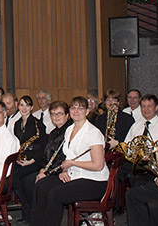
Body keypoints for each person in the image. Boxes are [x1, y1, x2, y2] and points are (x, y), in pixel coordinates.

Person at [30, 96, 109, 226]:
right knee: (42, 185)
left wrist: (72, 164)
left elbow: (98, 165)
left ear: (87, 112)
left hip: (94, 181)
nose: (76, 111)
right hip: (75, 175)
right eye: (73, 107)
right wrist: (65, 170)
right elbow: (68, 156)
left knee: (56, 194)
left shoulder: (93, 133)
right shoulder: (69, 130)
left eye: (80, 108)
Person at [17, 101, 72, 224]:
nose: (56, 117)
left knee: (39, 185)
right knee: (26, 181)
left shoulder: (69, 132)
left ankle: (39, 220)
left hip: (63, 171)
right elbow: (46, 155)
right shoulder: (53, 133)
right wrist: (42, 169)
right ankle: (31, 217)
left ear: (67, 115)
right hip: (49, 170)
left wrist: (45, 174)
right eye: (53, 114)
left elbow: (63, 157)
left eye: (60, 114)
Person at [11, 96, 48, 222]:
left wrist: (32, 160)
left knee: (18, 178)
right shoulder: (16, 124)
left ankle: (32, 210)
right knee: (10, 177)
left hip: (34, 160)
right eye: (21, 105)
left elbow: (44, 146)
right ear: (18, 107)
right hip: (21, 159)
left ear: (32, 108)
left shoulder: (38, 124)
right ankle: (29, 211)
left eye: (27, 105)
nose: (24, 108)